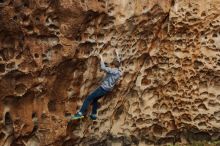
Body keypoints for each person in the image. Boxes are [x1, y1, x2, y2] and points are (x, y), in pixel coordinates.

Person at [70, 52, 122, 120]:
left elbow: (103, 67)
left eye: (112, 65)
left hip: (102, 89)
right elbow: (119, 63)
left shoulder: (112, 70)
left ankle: (80, 113)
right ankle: (93, 115)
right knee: (95, 99)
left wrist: (101, 58)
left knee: (88, 99)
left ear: (114, 66)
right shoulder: (119, 72)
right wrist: (117, 54)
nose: (111, 65)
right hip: (107, 90)